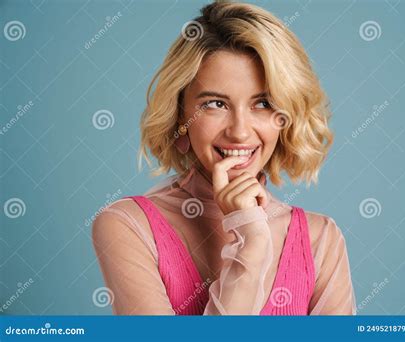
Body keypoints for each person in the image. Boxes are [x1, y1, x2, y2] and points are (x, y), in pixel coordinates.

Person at [92, 0, 356, 315]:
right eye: (216, 104)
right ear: (179, 116)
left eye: (263, 103)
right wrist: (250, 242)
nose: (240, 132)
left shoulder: (321, 239)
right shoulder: (128, 225)